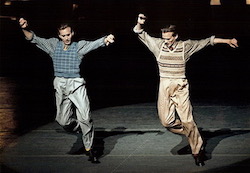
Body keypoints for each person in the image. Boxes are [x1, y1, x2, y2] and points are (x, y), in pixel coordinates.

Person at [133, 14, 238, 166]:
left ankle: (197, 151)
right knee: (166, 122)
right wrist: (139, 23)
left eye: (169, 38)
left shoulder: (185, 46)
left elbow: (207, 41)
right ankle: (193, 134)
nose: (166, 41)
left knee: (187, 120)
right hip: (164, 86)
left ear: (175, 36)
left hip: (180, 86)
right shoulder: (158, 45)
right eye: (164, 38)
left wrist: (227, 40)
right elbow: (140, 33)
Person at [19, 18, 115, 163]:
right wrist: (24, 28)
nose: (66, 38)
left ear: (72, 33)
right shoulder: (53, 45)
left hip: (76, 85)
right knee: (62, 120)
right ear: (59, 36)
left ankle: (89, 147)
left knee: (85, 117)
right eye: (63, 35)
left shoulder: (78, 46)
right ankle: (82, 128)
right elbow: (34, 39)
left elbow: (93, 44)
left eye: (68, 35)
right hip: (60, 85)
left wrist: (105, 39)